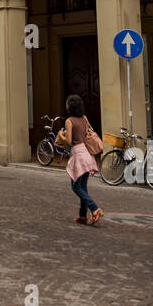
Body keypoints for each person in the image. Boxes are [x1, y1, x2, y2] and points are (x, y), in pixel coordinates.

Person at [57, 95, 101, 225]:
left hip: (79, 155)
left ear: (70, 106)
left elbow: (69, 141)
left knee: (76, 186)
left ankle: (95, 208)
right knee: (83, 187)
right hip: (88, 154)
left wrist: (60, 135)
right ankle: (82, 216)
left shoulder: (69, 121)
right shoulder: (84, 118)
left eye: (67, 103)